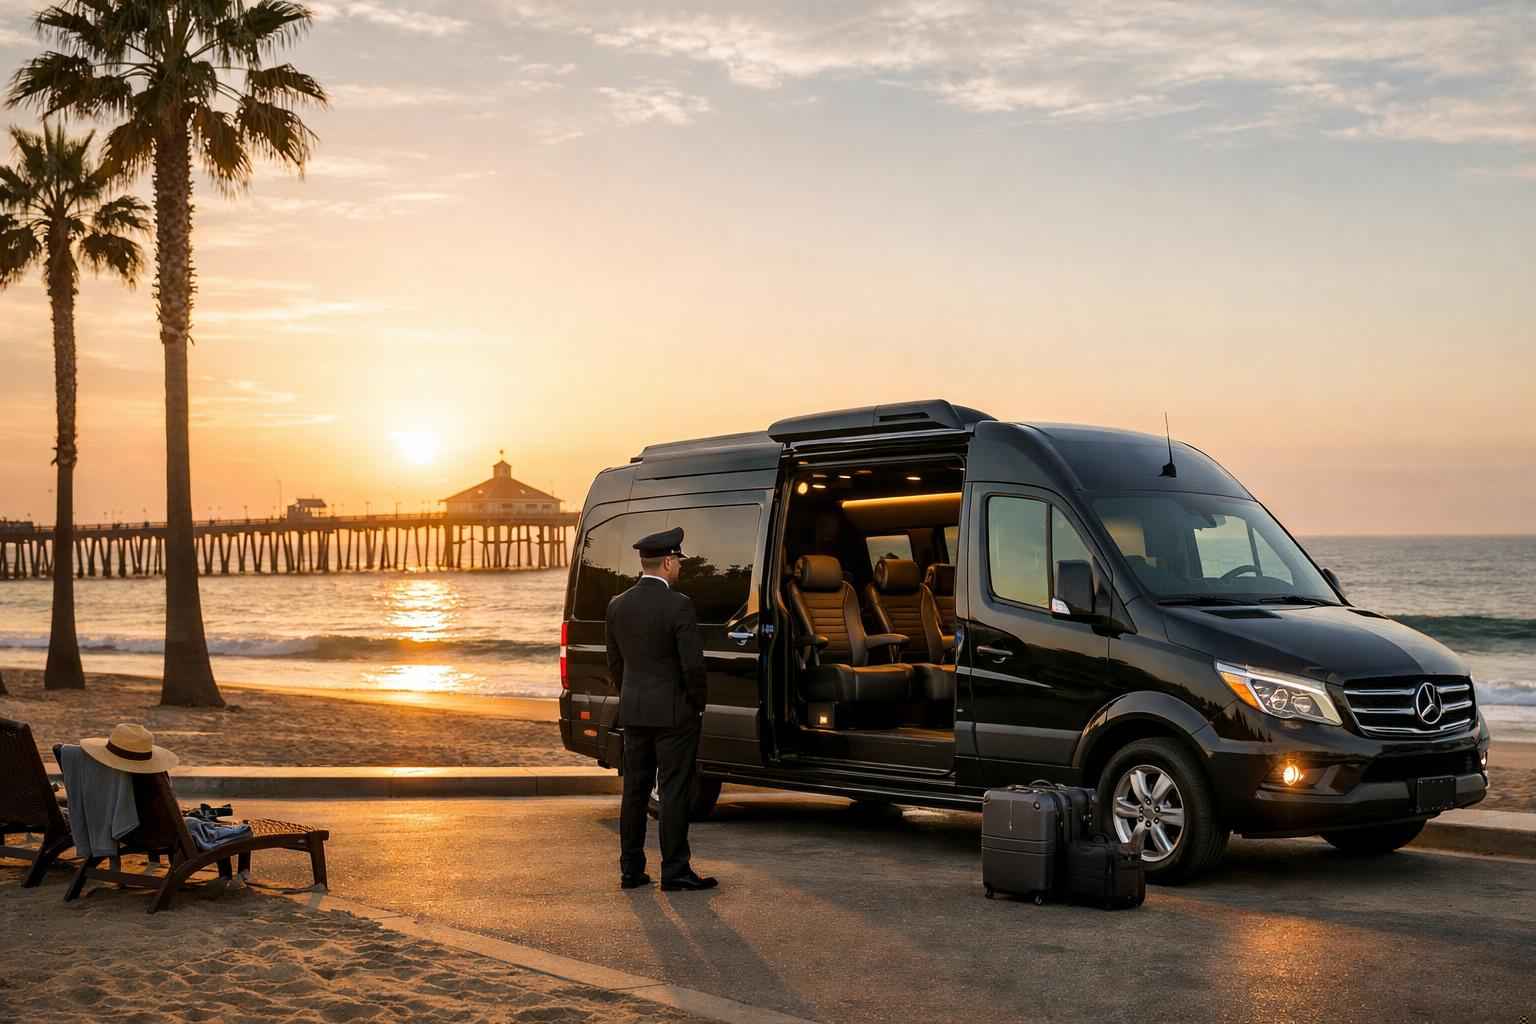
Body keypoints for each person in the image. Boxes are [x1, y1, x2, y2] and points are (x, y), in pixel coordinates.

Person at [606, 526, 717, 892]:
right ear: (669, 561)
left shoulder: (617, 605)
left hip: (634, 711)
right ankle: (675, 871)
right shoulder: (679, 605)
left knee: (634, 792)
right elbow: (693, 667)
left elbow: (616, 664)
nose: (680, 568)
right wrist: (697, 705)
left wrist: (632, 696)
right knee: (673, 792)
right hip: (674, 715)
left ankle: (631, 871)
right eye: (678, 562)